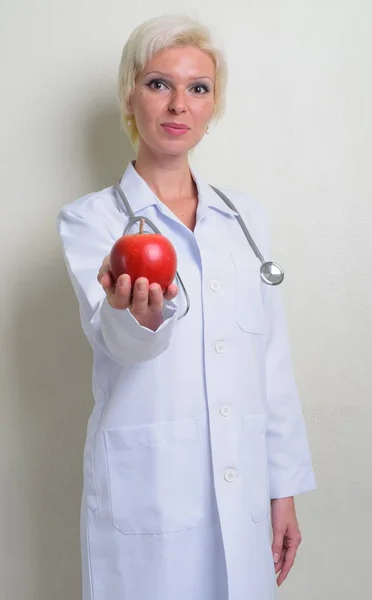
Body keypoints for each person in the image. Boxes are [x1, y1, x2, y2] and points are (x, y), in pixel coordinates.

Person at [57, 13, 316, 600]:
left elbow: (270, 363)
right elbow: (116, 339)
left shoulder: (245, 219)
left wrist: (284, 489)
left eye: (197, 88)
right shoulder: (92, 221)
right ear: (130, 94)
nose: (179, 105)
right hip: (148, 492)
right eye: (158, 84)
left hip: (245, 488)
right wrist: (142, 316)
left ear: (213, 104)